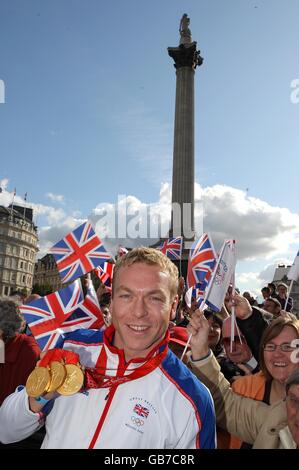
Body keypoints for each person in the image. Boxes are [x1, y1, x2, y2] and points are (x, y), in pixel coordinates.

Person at [0, 247, 216, 449]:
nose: (139, 311)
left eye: (154, 298)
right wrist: (41, 394)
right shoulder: (71, 348)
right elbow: (5, 430)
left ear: (173, 307)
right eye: (126, 296)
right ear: (111, 302)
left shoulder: (193, 398)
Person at [186, 305, 299, 448]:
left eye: (287, 346)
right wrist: (200, 349)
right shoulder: (277, 418)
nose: (277, 354)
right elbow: (226, 405)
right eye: (270, 346)